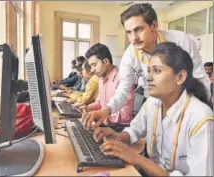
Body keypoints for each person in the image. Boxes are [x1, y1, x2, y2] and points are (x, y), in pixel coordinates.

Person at [88, 42, 213, 176]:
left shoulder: (200, 117)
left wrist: (138, 159)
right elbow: (134, 131)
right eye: (148, 70)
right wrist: (117, 136)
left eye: (157, 71)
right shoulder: (152, 103)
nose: (148, 77)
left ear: (180, 77)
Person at [82, 3, 211, 130]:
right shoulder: (130, 54)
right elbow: (123, 91)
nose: (134, 38)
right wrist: (106, 110)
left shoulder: (181, 41)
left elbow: (200, 78)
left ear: (154, 25)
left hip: (186, 105)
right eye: (129, 32)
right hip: (155, 104)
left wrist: (202, 113)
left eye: (139, 29)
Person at [82, 43, 134, 127]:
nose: (92, 70)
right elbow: (99, 103)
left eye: (94, 65)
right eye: (91, 66)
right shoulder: (101, 79)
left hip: (119, 128)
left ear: (106, 61)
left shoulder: (123, 79)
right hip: (104, 123)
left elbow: (125, 115)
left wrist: (102, 116)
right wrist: (88, 108)